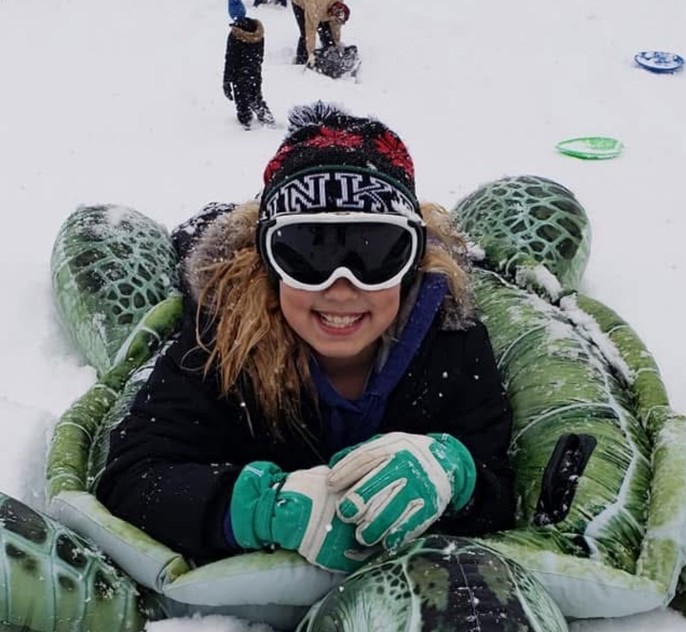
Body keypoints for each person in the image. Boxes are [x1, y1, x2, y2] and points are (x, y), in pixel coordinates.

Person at [95, 102, 516, 571]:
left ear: (413, 261)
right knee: (199, 236)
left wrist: (455, 473)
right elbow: (132, 478)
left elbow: (500, 479)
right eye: (305, 251)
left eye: (375, 252)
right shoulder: (217, 340)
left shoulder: (453, 339)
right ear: (266, 263)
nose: (340, 287)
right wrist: (261, 508)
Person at [223, 16, 275, 129]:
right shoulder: (258, 35)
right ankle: (265, 117)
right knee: (256, 97)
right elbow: (259, 57)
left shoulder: (235, 36)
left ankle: (246, 128)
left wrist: (227, 80)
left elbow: (230, 59)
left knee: (242, 105)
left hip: (239, 75)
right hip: (254, 72)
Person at [291, 0, 348, 66]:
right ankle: (301, 61)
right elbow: (310, 31)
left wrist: (336, 41)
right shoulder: (315, 9)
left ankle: (329, 55)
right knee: (304, 34)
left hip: (323, 9)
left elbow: (335, 26)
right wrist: (311, 53)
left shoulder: (339, 4)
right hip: (302, 4)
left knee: (327, 35)